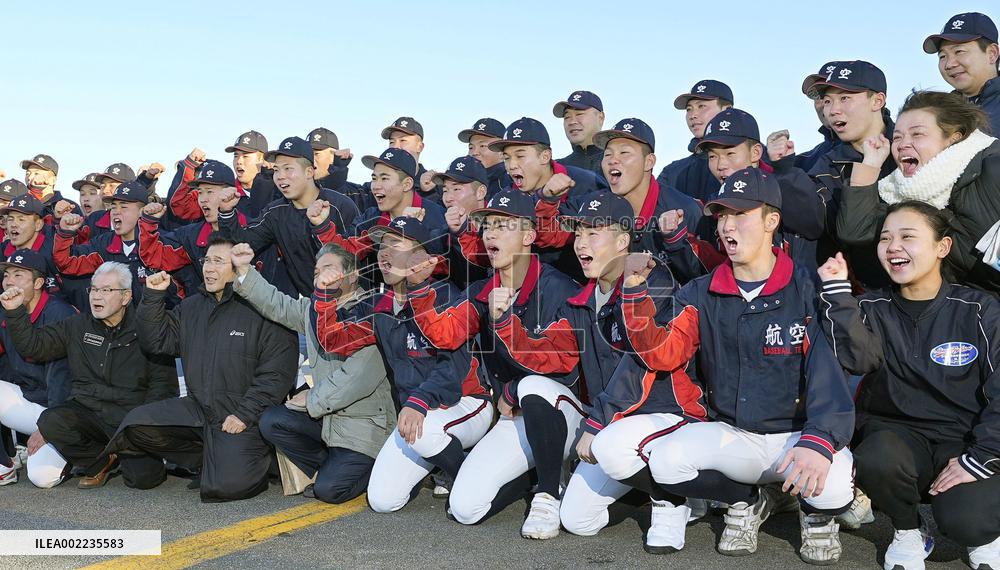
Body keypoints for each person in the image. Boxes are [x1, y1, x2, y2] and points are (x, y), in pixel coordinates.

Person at [604, 168, 855, 565]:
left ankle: (816, 516)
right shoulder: (701, 290)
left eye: (740, 215)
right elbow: (664, 354)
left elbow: (830, 374)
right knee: (668, 465)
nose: (726, 225)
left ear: (772, 221)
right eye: (721, 216)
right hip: (735, 434)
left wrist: (820, 440)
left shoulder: (807, 287)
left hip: (798, 436)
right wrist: (634, 297)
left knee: (835, 488)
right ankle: (748, 500)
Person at [819, 201, 1000, 570]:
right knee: (876, 456)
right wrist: (838, 293)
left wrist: (981, 458)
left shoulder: (980, 309)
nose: (893, 246)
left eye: (907, 237)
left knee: (970, 521)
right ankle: (907, 530)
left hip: (965, 441)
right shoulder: (870, 307)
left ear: (941, 247)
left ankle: (986, 536)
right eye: (885, 238)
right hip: (899, 439)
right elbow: (858, 360)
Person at [407, 189, 582, 538]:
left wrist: (505, 332)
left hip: (566, 413)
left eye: (503, 226)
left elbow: (563, 363)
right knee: (465, 509)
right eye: (487, 226)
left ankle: (548, 494)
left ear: (529, 236)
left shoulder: (560, 287)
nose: (490, 234)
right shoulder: (484, 289)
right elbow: (446, 335)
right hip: (514, 413)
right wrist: (419, 287)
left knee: (533, 387)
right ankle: (532, 476)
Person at [314, 216, 491, 513]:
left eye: (396, 243)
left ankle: (472, 480)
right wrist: (324, 297)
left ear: (420, 254)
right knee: (383, 500)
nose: (384, 252)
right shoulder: (380, 306)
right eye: (382, 245)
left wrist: (420, 401)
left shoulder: (446, 294)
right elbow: (335, 342)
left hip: (465, 400)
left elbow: (454, 368)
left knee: (425, 435)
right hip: (418, 414)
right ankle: (443, 465)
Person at [105, 234, 298, 502]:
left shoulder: (264, 307)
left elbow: (276, 374)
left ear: (238, 268)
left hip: (242, 415)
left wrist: (244, 415)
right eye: (207, 260)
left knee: (225, 488)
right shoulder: (192, 306)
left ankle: (261, 457)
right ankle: (207, 458)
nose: (208, 268)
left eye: (218, 261)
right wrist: (152, 297)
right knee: (135, 425)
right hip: (199, 409)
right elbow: (156, 341)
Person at [233, 242, 395, 504]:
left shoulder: (371, 311)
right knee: (272, 421)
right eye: (317, 271)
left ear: (353, 275)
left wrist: (313, 398)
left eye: (329, 268)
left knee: (329, 491)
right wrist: (244, 269)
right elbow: (277, 304)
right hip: (327, 419)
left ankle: (384, 467)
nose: (320, 275)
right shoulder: (314, 311)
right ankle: (330, 463)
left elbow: (357, 376)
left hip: (362, 426)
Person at [1, 261, 178, 489]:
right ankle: (102, 461)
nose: (97, 296)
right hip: (90, 415)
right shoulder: (77, 325)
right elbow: (34, 346)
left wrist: (146, 426)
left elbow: (163, 385)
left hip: (131, 420)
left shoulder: (147, 328)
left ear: (125, 297)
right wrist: (15, 311)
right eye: (94, 289)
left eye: (106, 290)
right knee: (50, 420)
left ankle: (140, 454)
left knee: (143, 481)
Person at [836, 90, 1000, 292]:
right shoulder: (900, 196)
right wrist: (871, 164)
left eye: (917, 134)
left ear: (954, 138)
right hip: (980, 311)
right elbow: (855, 231)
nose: (903, 144)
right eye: (897, 137)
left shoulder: (992, 167)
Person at [534, 117, 717, 284]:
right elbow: (547, 236)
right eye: (607, 154)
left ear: (649, 162)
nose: (613, 160)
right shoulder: (591, 204)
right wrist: (548, 200)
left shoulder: (686, 209)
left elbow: (709, 276)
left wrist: (675, 242)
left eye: (624, 153)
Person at [771, 60, 895, 289]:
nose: (832, 110)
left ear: (877, 101)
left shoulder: (910, 143)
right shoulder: (827, 164)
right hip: (869, 296)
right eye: (827, 101)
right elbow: (817, 223)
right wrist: (784, 169)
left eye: (845, 98)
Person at [217, 136, 360, 298]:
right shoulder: (275, 212)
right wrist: (226, 212)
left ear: (309, 171)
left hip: (351, 305)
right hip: (310, 307)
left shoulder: (341, 206)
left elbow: (361, 256)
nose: (280, 176)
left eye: (288, 169)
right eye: (276, 170)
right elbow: (243, 242)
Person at [0, 250, 77, 488]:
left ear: (39, 282)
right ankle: (4, 465)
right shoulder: (7, 309)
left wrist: (49, 427)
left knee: (43, 479)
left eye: (19, 275)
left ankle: (78, 453)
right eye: (7, 275)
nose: (9, 281)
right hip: (31, 403)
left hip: (66, 410)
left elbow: (64, 381)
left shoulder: (58, 313)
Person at [54, 181, 169, 304]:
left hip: (154, 320)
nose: (116, 211)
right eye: (113, 206)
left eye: (123, 207)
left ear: (142, 211)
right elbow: (67, 263)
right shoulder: (103, 243)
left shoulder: (160, 243)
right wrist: (65, 233)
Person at [658, 80, 734, 202]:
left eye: (701, 106)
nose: (693, 115)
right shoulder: (672, 172)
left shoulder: (758, 158)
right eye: (689, 109)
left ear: (727, 110)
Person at [924, 12, 1000, 133]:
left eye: (959, 51)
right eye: (942, 56)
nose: (949, 64)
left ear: (992, 53)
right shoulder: (940, 112)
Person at [435, 156, 490, 288]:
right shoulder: (442, 236)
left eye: (456, 189)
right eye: (445, 190)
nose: (448, 198)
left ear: (480, 192)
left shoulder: (503, 224)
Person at [381, 116, 443, 205]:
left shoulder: (437, 187)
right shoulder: (377, 186)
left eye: (403, 140)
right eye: (391, 142)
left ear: (420, 147)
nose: (395, 147)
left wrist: (426, 193)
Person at [552, 90, 606, 176]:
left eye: (579, 114)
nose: (572, 121)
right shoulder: (555, 169)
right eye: (567, 117)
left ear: (600, 117)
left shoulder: (617, 163)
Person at [457, 118, 511, 198]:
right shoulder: (461, 182)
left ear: (502, 150)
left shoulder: (510, 183)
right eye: (471, 147)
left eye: (482, 146)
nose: (474, 153)